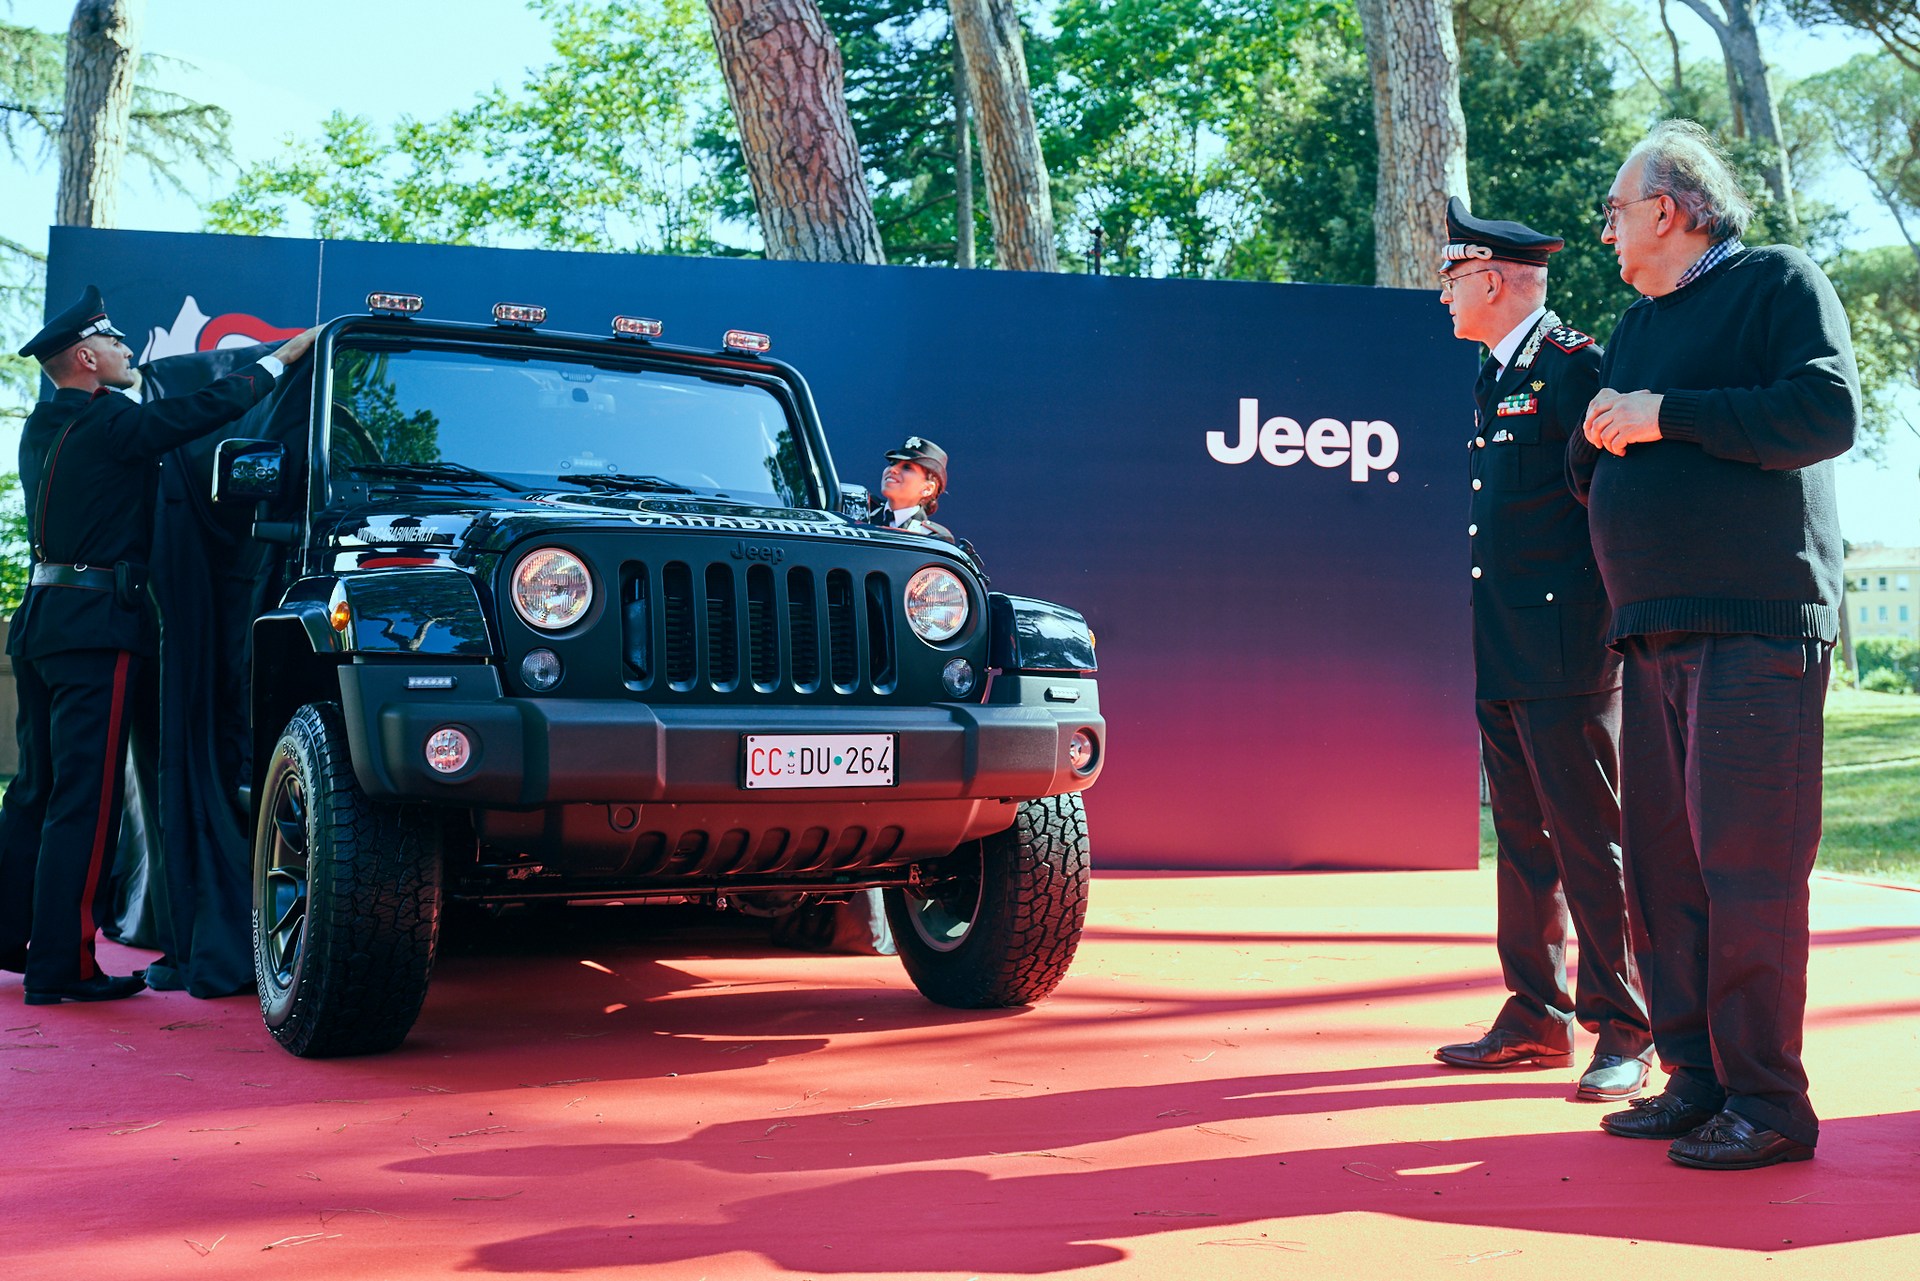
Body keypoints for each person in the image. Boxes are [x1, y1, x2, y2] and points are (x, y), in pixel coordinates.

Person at [1571, 120, 1860, 1169]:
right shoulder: (1638, 323)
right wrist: (1600, 435)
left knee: (1747, 869)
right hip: (1651, 635)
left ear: (1670, 208)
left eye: (1614, 210)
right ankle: (1695, 1079)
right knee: (1667, 874)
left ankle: (1770, 1106)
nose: (1604, 231)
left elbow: (1823, 411)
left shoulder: (1777, 282)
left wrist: (1664, 417)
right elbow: (1617, 439)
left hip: (1755, 627)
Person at [0, 286, 318, 1005]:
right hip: (97, 627)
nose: (124, 352)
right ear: (86, 357)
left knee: (35, 791)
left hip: (42, 621)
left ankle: (11, 934)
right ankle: (63, 966)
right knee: (85, 800)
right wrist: (279, 361)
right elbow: (198, 413)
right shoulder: (111, 419)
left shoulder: (40, 427)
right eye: (112, 343)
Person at [1429, 199, 1652, 1104]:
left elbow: (1615, 506)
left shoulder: (1574, 369)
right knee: (1522, 839)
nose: (1441, 296)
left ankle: (1625, 1026)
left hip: (1568, 649)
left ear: (1490, 278)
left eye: (1450, 279)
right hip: (1506, 646)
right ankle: (1535, 1014)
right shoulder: (1495, 371)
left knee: (1588, 838)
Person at [874, 436, 955, 543]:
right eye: (892, 463)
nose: (893, 469)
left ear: (928, 488)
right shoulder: (858, 516)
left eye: (907, 467)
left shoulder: (933, 538)